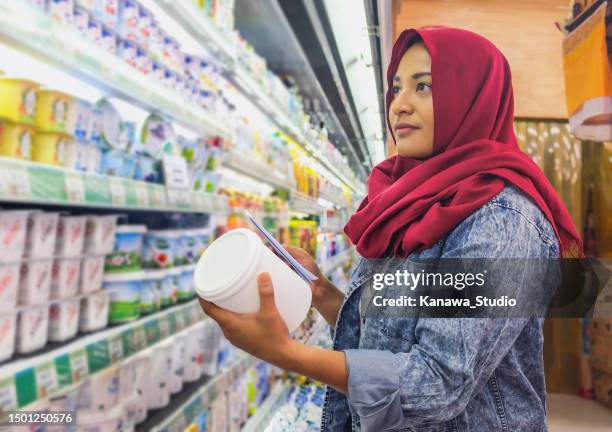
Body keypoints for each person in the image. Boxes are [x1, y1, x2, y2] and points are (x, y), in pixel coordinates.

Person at [200, 27, 584, 431]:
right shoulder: (411, 201)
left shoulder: (501, 220)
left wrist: (286, 354)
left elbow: (436, 382)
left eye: (424, 87)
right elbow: (391, 333)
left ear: (471, 97)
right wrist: (320, 291)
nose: (399, 104)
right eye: (396, 88)